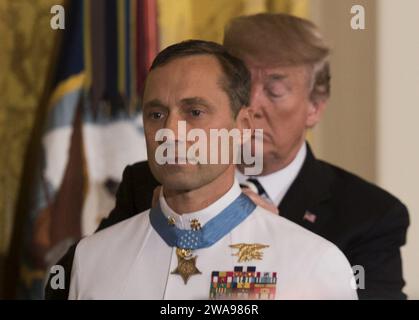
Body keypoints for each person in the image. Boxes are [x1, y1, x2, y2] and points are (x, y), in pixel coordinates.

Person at [46, 13, 409, 300]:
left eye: (276, 89)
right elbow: (85, 278)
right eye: (157, 114)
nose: (173, 132)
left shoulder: (347, 235)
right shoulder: (140, 190)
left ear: (314, 107)